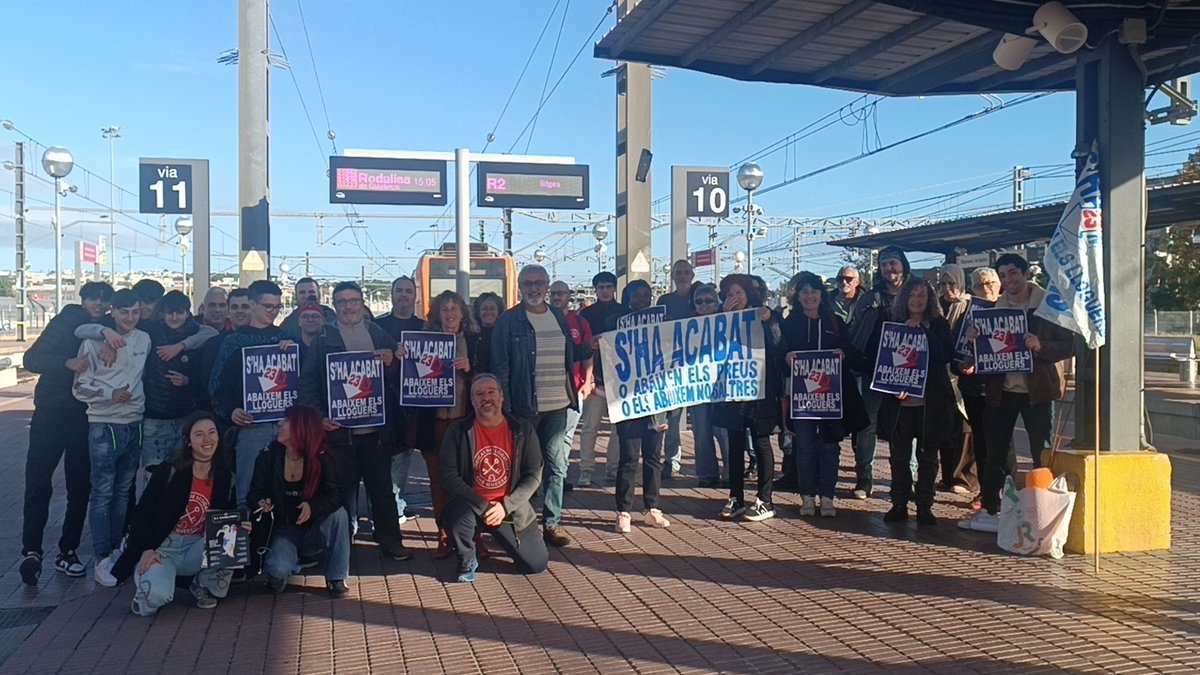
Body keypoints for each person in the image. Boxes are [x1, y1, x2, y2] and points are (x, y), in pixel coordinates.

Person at [959, 254, 1075, 533]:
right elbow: (984, 356)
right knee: (994, 453)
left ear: (1025, 274)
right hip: (1001, 392)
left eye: (1013, 274)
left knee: (1041, 453)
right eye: (1004, 276)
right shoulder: (992, 309)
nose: (1009, 280)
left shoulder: (1047, 305)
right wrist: (974, 340)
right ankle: (990, 508)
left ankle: (1045, 511)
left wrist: (1040, 345)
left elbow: (1068, 345)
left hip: (1038, 392)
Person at [299, 281, 413, 561]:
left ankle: (390, 541)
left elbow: (401, 378)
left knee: (382, 490)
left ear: (362, 303)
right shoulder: (324, 338)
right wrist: (320, 417)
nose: (349, 306)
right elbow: (308, 383)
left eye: (353, 300)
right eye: (342, 302)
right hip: (339, 433)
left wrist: (392, 362)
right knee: (340, 493)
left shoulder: (379, 333)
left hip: (376, 432)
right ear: (334, 306)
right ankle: (341, 545)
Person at [19, 281, 114, 586]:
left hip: (85, 415)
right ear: (83, 300)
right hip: (50, 412)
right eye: (93, 299)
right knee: (38, 481)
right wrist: (66, 363)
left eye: (103, 300)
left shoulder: (110, 325)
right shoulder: (67, 320)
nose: (98, 304)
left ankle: (68, 550)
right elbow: (31, 360)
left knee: (80, 485)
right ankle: (31, 551)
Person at [492, 264, 591, 548]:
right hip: (523, 409)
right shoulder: (508, 322)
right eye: (528, 283)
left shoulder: (559, 317)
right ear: (520, 287)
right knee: (522, 470)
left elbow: (567, 355)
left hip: (558, 407)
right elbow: (501, 367)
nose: (533, 288)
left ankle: (552, 523)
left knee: (557, 467)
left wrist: (591, 348)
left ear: (547, 286)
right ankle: (517, 523)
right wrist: (505, 408)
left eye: (539, 283)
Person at [113, 412, 236, 615]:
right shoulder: (169, 471)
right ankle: (146, 590)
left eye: (212, 432)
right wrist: (146, 549)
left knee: (231, 536)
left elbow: (226, 518)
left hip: (197, 546)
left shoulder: (224, 476)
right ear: (188, 442)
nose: (207, 439)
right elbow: (141, 512)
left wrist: (240, 528)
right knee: (156, 599)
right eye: (199, 434)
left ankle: (203, 586)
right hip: (164, 548)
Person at [72, 288, 152, 585]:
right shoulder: (92, 341)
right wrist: (110, 393)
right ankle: (101, 557)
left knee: (123, 490)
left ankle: (118, 550)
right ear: (112, 313)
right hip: (104, 424)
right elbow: (79, 388)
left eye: (134, 312)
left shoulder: (144, 338)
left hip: (135, 422)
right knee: (102, 492)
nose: (130, 318)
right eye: (123, 312)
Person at [439, 374, 548, 583]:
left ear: (501, 396)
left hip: (508, 508)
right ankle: (467, 558)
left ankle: (504, 538)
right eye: (479, 394)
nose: (485, 398)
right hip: (472, 504)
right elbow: (448, 477)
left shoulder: (522, 430)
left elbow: (534, 474)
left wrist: (505, 506)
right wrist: (483, 505)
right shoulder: (458, 432)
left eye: (491, 392)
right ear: (471, 400)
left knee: (536, 564)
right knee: (455, 515)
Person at [397, 290, 481, 558]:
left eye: (454, 308)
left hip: (464, 422)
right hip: (433, 424)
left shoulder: (475, 340)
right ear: (436, 314)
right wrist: (402, 358)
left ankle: (473, 535)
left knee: (469, 480)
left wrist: (471, 367)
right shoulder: (422, 342)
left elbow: (489, 375)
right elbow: (408, 380)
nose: (449, 313)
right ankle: (443, 535)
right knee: (437, 483)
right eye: (444, 309)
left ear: (462, 313)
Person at [781, 272, 869, 518]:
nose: (810, 297)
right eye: (804, 292)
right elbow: (780, 354)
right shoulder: (791, 323)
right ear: (797, 297)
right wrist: (786, 357)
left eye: (814, 292)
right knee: (806, 447)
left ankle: (828, 497)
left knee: (830, 447)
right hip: (802, 399)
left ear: (822, 295)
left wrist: (843, 352)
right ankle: (807, 496)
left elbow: (850, 350)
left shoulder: (835, 322)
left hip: (832, 398)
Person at [876, 278, 956, 526]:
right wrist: (892, 389)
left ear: (930, 299)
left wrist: (924, 331)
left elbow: (945, 355)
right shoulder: (891, 324)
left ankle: (924, 505)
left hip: (930, 404)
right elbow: (879, 359)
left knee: (928, 457)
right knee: (898, 457)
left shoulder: (939, 324)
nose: (917, 300)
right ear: (904, 299)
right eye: (912, 296)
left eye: (922, 295)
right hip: (900, 404)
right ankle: (899, 503)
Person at [248, 405, 351, 597]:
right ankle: (280, 572)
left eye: (286, 421)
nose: (279, 424)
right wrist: (261, 503)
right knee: (278, 571)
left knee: (339, 515)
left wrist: (313, 506)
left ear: (301, 428)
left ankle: (336, 577)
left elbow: (336, 496)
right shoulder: (268, 456)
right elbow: (253, 493)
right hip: (283, 530)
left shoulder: (322, 458)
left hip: (314, 529)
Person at [208, 280, 288, 508]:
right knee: (247, 489)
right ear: (252, 304)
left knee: (283, 487)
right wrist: (231, 411)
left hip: (284, 423)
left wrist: (293, 349)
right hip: (251, 426)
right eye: (267, 307)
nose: (273, 312)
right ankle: (247, 539)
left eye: (276, 307)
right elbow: (217, 386)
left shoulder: (286, 338)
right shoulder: (233, 342)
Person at [714, 274, 785, 523]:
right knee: (735, 444)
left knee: (761, 441)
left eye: (739, 293)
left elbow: (778, 346)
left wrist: (768, 321)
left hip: (760, 391)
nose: (735, 298)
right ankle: (736, 497)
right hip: (731, 390)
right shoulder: (719, 319)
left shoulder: (765, 315)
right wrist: (722, 317)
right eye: (730, 294)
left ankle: (765, 499)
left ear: (749, 294)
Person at [846, 246, 912, 500]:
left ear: (903, 265)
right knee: (867, 426)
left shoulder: (917, 292)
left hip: (907, 370)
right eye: (884, 265)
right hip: (874, 369)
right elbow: (854, 329)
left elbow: (932, 321)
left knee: (905, 428)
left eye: (893, 263)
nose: (889, 269)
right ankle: (864, 478)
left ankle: (906, 479)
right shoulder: (869, 297)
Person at [609, 280, 672, 532]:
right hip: (629, 401)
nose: (642, 300)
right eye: (637, 296)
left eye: (647, 295)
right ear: (628, 298)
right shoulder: (615, 323)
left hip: (656, 401)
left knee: (654, 458)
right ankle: (623, 510)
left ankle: (652, 508)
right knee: (629, 458)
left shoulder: (663, 324)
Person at [135, 290, 205, 491]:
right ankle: (149, 520)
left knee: (183, 478)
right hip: (155, 416)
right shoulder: (151, 331)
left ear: (187, 313)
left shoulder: (197, 334)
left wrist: (187, 380)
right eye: (169, 313)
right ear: (162, 314)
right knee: (153, 476)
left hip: (186, 416)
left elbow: (203, 377)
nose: (174, 317)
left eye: (179, 312)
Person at [374, 275, 426, 523]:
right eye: (399, 291)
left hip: (413, 404)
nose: (404, 295)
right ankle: (389, 510)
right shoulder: (377, 325)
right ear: (391, 294)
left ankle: (396, 503)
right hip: (384, 400)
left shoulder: (426, 328)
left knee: (404, 456)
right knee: (386, 460)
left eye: (408, 291)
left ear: (415, 296)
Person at [956, 267, 1001, 517]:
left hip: (1000, 388)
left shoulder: (1009, 310)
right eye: (980, 285)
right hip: (974, 389)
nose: (987, 289)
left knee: (1003, 446)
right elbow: (955, 352)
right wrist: (964, 359)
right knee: (982, 442)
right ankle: (985, 492)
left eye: (991, 283)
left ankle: (1005, 491)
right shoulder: (966, 313)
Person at [577, 271, 624, 485]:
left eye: (608, 287)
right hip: (594, 377)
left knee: (618, 429)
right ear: (595, 290)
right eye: (601, 287)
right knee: (590, 426)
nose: (605, 291)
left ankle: (613, 468)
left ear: (614, 288)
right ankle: (586, 469)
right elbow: (582, 347)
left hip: (620, 378)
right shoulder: (585, 315)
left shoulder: (625, 312)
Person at [657, 260, 699, 479]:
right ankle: (672, 461)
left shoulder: (701, 294)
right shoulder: (664, 301)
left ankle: (706, 465)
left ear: (692, 274)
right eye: (678, 272)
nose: (682, 276)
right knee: (672, 420)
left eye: (686, 272)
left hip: (700, 367)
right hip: (672, 367)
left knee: (704, 423)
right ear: (673, 276)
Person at [548, 281, 593, 489]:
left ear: (569, 296)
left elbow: (587, 352)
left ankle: (561, 475)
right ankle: (548, 475)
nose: (557, 297)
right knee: (548, 436)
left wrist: (588, 380)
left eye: (561, 293)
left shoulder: (580, 322)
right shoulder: (543, 318)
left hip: (574, 388)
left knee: (566, 435)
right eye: (554, 293)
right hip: (548, 388)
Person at [936, 263, 975, 495]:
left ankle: (964, 477)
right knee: (946, 426)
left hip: (964, 376)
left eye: (952, 283)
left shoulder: (971, 306)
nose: (947, 288)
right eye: (943, 284)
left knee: (965, 428)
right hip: (943, 376)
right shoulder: (937, 308)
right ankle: (947, 474)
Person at [689, 284, 731, 489]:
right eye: (699, 301)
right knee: (701, 432)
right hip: (697, 389)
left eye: (709, 300)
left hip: (723, 386)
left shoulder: (730, 321)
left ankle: (732, 473)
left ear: (717, 303)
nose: (704, 305)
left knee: (724, 431)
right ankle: (707, 474)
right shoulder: (685, 326)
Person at [472, 292, 504, 374]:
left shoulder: (505, 334)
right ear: (478, 312)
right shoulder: (471, 335)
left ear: (499, 311)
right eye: (484, 309)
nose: (488, 312)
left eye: (492, 308)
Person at [294, 301, 328, 367]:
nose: (310, 320)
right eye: (305, 316)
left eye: (315, 316)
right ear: (299, 322)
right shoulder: (293, 347)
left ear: (323, 321)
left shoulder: (331, 347)